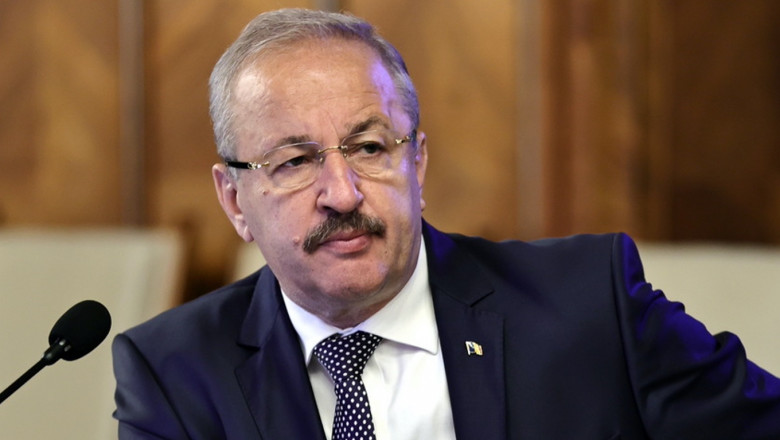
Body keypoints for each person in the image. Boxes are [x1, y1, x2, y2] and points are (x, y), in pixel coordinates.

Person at [111, 8, 780, 440]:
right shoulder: (174, 374)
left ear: (418, 163)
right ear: (234, 201)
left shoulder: (587, 305)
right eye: (294, 161)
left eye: (369, 147)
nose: (342, 193)